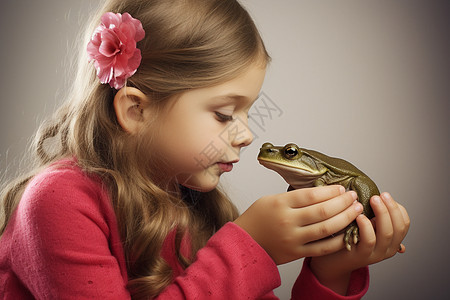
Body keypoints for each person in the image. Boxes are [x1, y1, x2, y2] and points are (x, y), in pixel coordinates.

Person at [0, 0, 410, 299]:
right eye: (223, 114)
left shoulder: (197, 204)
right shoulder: (58, 202)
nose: (247, 135)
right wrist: (251, 248)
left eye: (248, 112)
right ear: (136, 110)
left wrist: (331, 271)